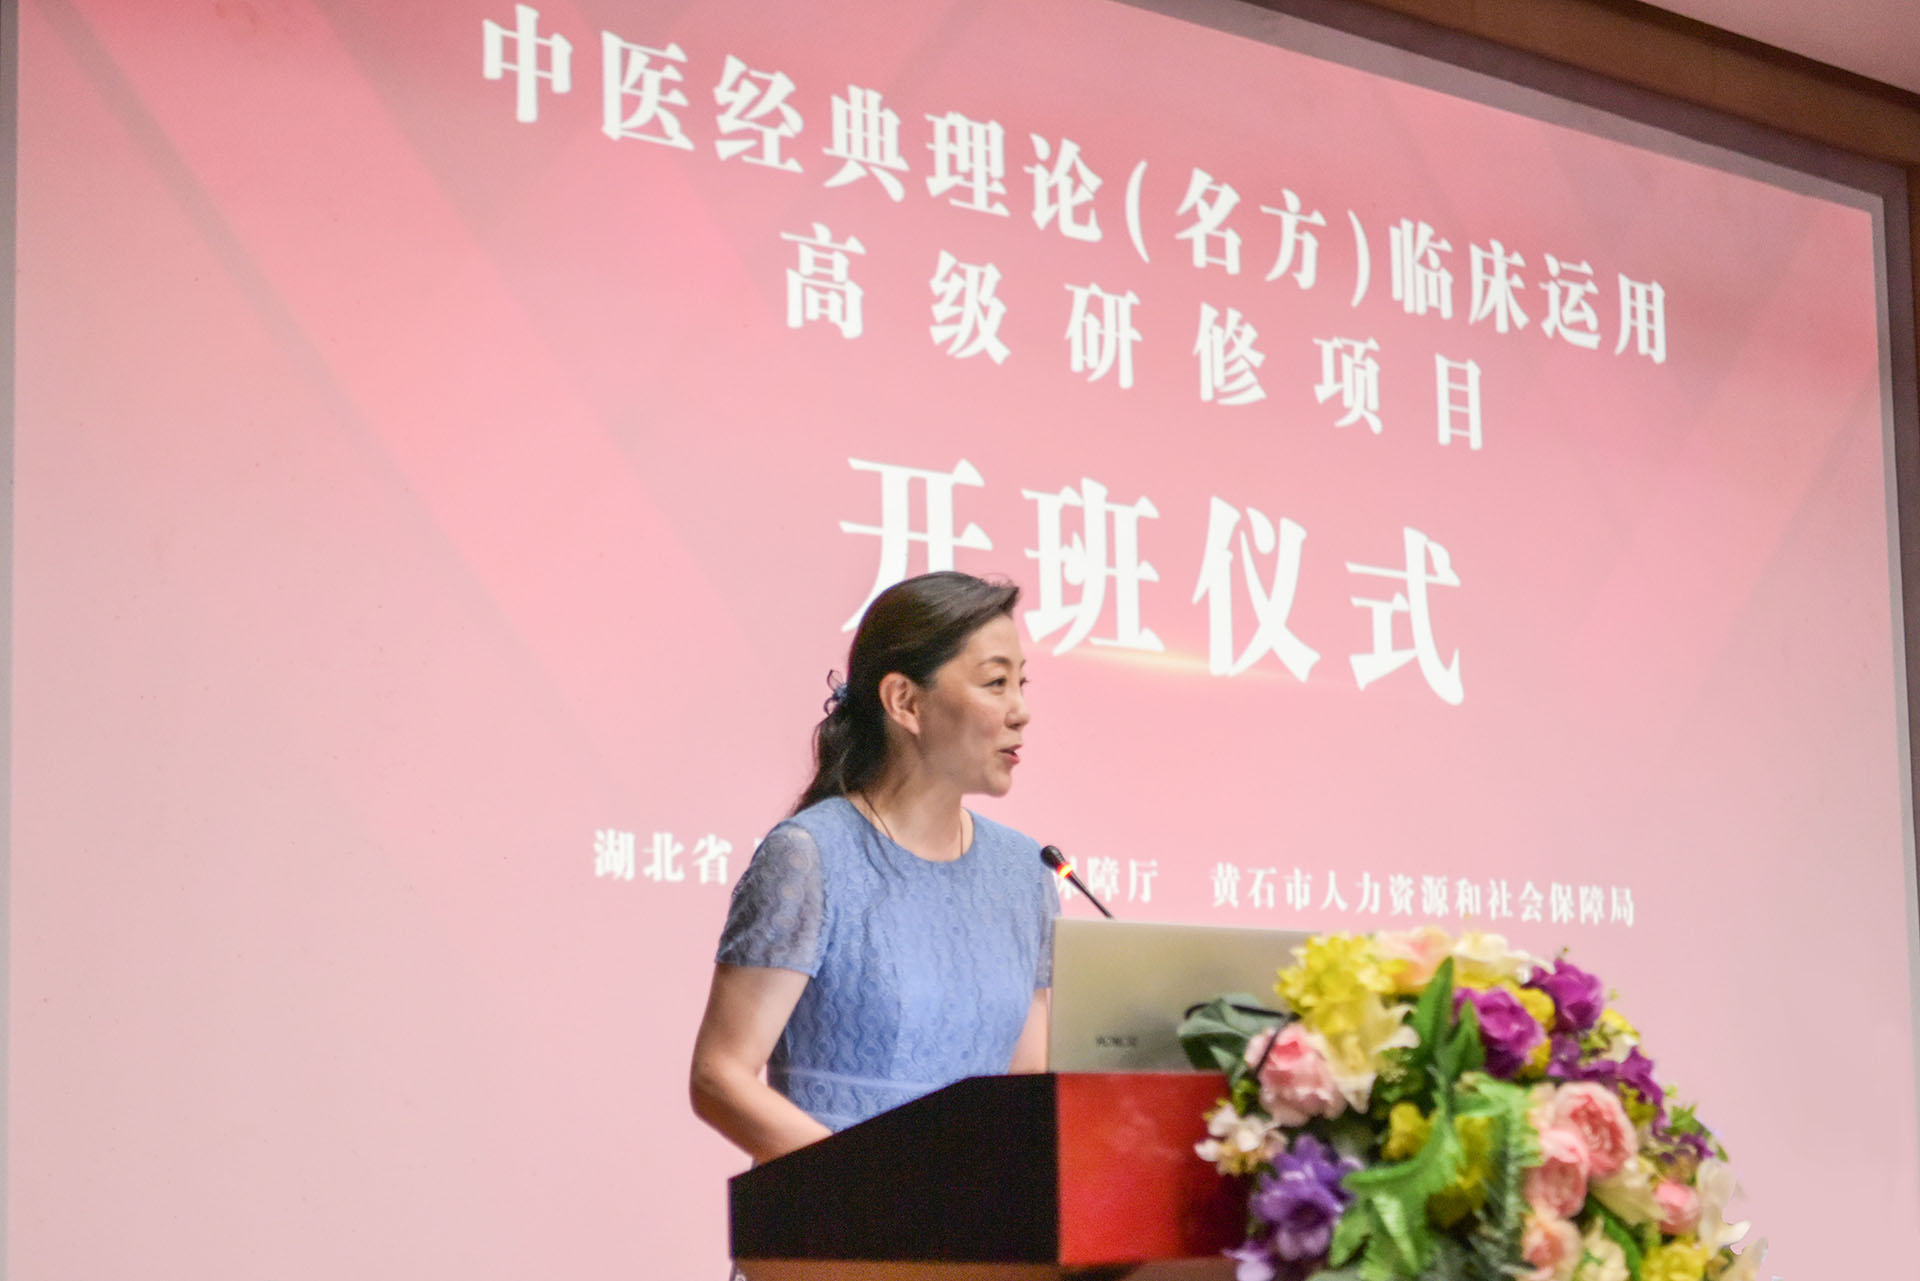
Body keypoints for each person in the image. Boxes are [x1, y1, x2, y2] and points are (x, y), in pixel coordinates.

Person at [689, 571, 1058, 1164]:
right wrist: (877, 1191)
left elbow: (1024, 1085)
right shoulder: (811, 855)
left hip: (975, 1221)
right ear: (904, 701)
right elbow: (720, 1077)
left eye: (1021, 682)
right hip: (838, 1216)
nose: (1021, 712)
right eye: (996, 683)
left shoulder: (1025, 872)